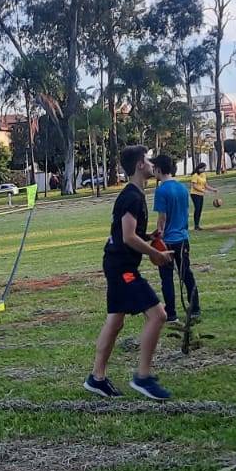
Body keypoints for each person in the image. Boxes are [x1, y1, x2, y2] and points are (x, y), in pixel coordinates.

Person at [87, 145, 173, 401]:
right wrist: (154, 254)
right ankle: (143, 376)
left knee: (115, 321)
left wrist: (149, 238)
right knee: (158, 315)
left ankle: (96, 378)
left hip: (118, 263)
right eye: (147, 160)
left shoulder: (135, 194)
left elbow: (130, 233)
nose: (150, 164)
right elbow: (127, 236)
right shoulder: (132, 197)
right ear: (139, 165)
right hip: (122, 268)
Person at [151, 155, 200, 327]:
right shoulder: (182, 188)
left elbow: (162, 217)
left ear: (158, 169)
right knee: (186, 273)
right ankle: (195, 308)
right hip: (183, 238)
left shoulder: (161, 190)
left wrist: (159, 233)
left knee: (167, 278)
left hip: (168, 241)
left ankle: (171, 313)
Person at [189, 162, 212, 230]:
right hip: (195, 194)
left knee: (200, 210)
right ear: (199, 168)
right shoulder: (195, 175)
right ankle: (196, 225)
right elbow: (194, 186)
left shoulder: (203, 175)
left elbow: (205, 185)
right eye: (203, 168)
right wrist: (203, 191)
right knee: (197, 208)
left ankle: (197, 225)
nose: (204, 170)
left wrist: (213, 189)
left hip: (201, 194)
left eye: (204, 168)